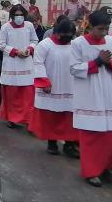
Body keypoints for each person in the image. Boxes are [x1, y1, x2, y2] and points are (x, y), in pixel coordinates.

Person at [69, 8, 112, 187]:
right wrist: (97, 62)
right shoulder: (78, 43)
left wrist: (110, 63)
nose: (103, 32)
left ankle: (109, 166)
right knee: (91, 134)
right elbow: (74, 68)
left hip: (107, 91)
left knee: (109, 133)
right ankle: (91, 171)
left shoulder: (111, 42)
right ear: (89, 27)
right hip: (88, 92)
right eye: (100, 29)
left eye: (106, 28)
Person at [29, 19, 79, 157]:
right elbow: (38, 63)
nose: (68, 37)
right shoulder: (45, 45)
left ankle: (70, 145)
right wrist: (44, 81)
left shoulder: (75, 45)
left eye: (71, 35)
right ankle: (52, 142)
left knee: (68, 118)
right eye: (65, 34)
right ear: (57, 33)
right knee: (52, 116)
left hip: (70, 86)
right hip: (51, 85)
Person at [0, 4, 39, 128]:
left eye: (21, 15)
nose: (19, 17)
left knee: (27, 96)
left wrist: (29, 49)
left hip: (26, 64)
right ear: (12, 15)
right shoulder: (5, 27)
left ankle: (28, 120)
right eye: (16, 15)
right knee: (12, 95)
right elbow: (0, 44)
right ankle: (11, 118)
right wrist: (15, 51)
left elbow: (35, 40)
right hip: (11, 65)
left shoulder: (29, 26)